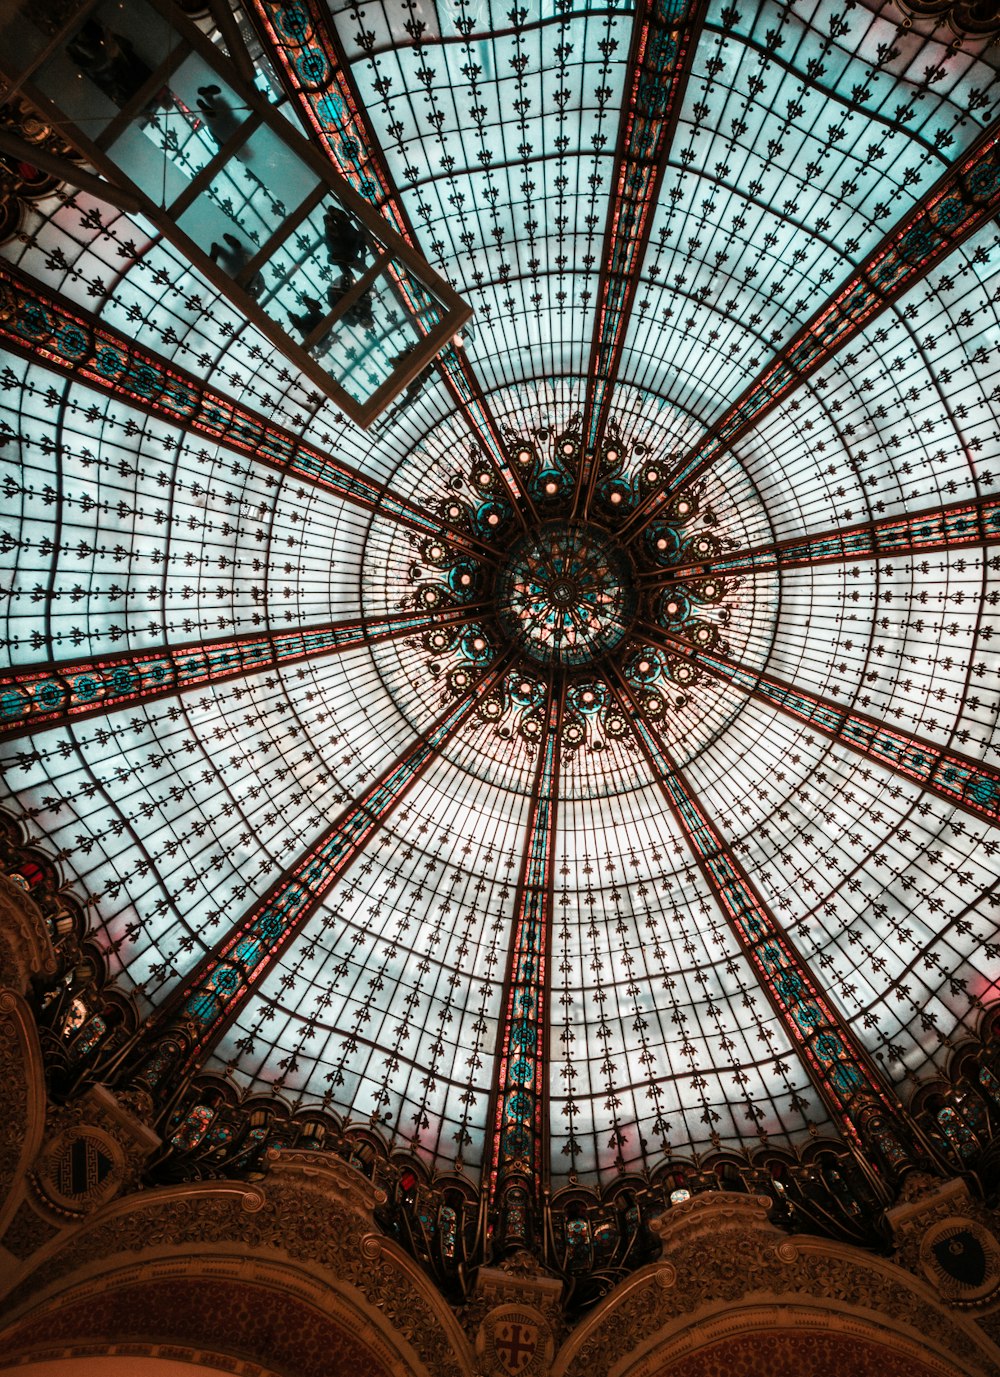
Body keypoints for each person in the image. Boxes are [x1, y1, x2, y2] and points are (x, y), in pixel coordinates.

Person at [67, 19, 153, 107]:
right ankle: (77, 43)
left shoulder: (128, 90)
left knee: (98, 54)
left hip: (109, 68)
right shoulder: (124, 94)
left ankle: (78, 42)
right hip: (107, 69)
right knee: (97, 54)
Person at [209, 232, 263, 298]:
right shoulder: (255, 281)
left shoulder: (247, 287)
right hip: (241, 267)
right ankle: (220, 250)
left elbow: (261, 286)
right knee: (235, 255)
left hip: (237, 269)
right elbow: (261, 286)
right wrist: (256, 296)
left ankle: (219, 250)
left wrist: (255, 295)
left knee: (231, 257)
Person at [323, 206, 366, 270]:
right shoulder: (335, 227)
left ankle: (345, 257)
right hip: (347, 245)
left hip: (347, 245)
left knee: (332, 258)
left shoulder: (337, 225)